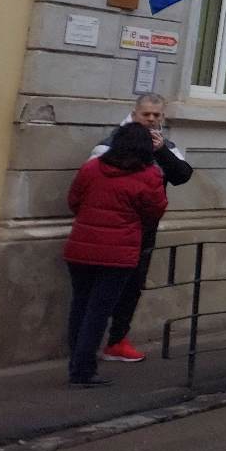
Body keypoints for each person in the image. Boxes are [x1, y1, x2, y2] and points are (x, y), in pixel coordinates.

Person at [91, 93, 193, 363]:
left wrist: (162, 153)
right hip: (112, 228)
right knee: (101, 288)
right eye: (146, 114)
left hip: (144, 230)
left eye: (156, 115)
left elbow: (182, 175)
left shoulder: (164, 144)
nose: (151, 120)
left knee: (133, 286)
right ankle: (88, 343)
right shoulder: (113, 143)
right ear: (135, 113)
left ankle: (117, 340)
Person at [63, 123, 168, 387]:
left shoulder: (92, 168)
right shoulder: (148, 176)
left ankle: (76, 362)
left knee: (80, 306)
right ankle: (83, 370)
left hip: (81, 247)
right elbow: (155, 210)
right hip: (119, 252)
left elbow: (73, 200)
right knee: (98, 312)